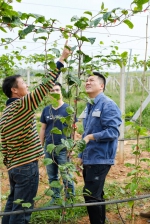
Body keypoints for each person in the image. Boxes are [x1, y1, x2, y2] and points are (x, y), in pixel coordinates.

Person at [0, 41, 70, 224]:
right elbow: (44, 87)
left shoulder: (5, 112)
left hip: (14, 166)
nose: (27, 86)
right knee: (22, 211)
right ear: (14, 90)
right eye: (24, 83)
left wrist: (10, 163)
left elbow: (4, 145)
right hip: (25, 166)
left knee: (13, 205)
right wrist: (61, 59)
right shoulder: (21, 106)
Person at [78, 72, 122, 224]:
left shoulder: (107, 104)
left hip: (100, 158)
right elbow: (85, 131)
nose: (87, 82)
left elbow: (113, 132)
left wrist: (91, 137)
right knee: (96, 194)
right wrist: (80, 155)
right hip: (90, 157)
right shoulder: (90, 105)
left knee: (90, 195)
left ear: (101, 86)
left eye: (92, 80)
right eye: (86, 80)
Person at [39, 82, 75, 203]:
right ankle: (55, 198)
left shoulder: (68, 109)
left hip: (63, 148)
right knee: (52, 175)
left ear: (61, 92)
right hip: (49, 148)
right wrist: (41, 148)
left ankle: (69, 198)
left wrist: (72, 148)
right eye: (52, 91)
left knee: (66, 175)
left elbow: (73, 130)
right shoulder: (46, 110)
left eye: (57, 90)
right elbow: (43, 129)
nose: (54, 92)